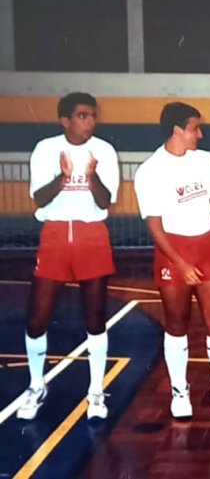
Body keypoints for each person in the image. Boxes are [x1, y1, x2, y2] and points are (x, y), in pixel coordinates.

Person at [134, 102, 210, 419]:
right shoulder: (150, 170)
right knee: (177, 323)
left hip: (206, 246)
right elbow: (154, 225)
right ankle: (180, 391)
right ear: (178, 130)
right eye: (195, 128)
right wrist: (180, 263)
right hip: (172, 250)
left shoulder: (204, 161)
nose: (199, 134)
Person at [18, 92, 119, 421]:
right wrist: (63, 178)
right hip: (56, 236)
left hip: (92, 236)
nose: (90, 121)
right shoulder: (46, 149)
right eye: (82, 115)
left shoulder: (104, 150)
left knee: (94, 318)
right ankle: (36, 385)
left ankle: (95, 391)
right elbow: (38, 199)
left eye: (92, 115)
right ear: (65, 120)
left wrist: (90, 177)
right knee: (37, 319)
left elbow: (105, 202)